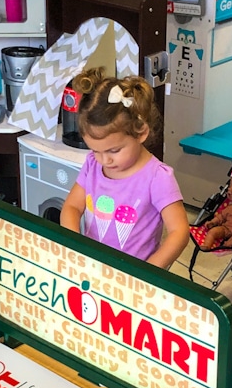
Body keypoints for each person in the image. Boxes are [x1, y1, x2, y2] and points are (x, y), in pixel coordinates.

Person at [60, 69, 189, 270]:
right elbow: (72, 207)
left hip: (133, 278)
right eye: (95, 150)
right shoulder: (93, 165)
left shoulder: (157, 177)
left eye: (114, 150)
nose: (105, 160)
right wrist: (74, 246)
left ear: (141, 133)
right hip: (93, 267)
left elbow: (179, 231)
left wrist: (149, 272)